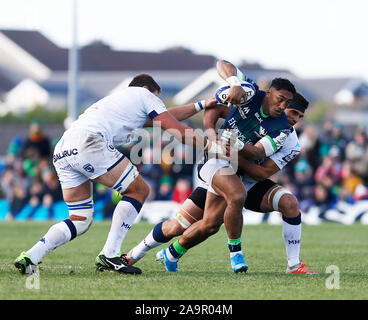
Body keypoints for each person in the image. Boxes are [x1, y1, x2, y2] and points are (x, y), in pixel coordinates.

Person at [14, 74, 226, 275]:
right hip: (89, 142)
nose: (157, 103)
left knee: (80, 218)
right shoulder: (144, 95)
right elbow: (177, 130)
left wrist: (200, 105)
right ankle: (110, 253)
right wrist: (213, 146)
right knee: (139, 190)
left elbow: (166, 117)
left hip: (63, 148)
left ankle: (31, 256)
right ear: (146, 89)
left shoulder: (121, 103)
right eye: (156, 97)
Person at [125, 62, 305, 273]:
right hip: (217, 163)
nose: (291, 116)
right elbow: (219, 88)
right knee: (218, 204)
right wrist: (231, 88)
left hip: (247, 176)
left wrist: (235, 148)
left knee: (212, 224)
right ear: (269, 93)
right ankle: (235, 255)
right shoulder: (250, 94)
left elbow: (262, 168)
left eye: (298, 115)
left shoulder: (286, 134)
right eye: (289, 108)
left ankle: (171, 254)